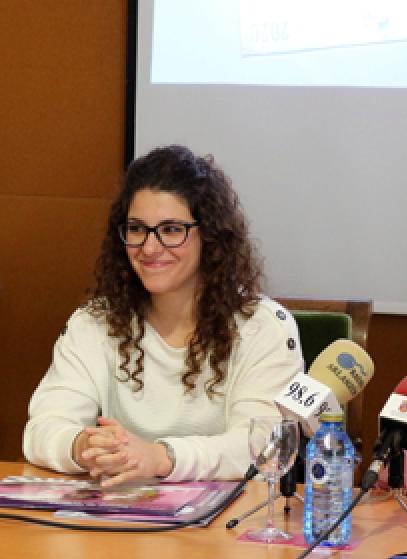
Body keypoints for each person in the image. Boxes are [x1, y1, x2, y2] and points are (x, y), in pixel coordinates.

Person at [22, 145, 303, 486]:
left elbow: (260, 445)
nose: (150, 248)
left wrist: (161, 458)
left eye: (171, 230)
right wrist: (83, 445)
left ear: (210, 237)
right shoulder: (94, 323)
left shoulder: (263, 327)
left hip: (222, 530)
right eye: (137, 229)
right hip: (116, 523)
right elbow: (42, 428)